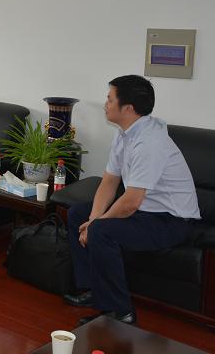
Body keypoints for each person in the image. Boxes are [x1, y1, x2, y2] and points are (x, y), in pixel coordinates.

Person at [64, 75, 200, 325]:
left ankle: (121, 311)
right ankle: (93, 289)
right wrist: (92, 219)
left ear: (128, 108)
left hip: (171, 221)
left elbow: (131, 201)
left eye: (110, 99)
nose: (105, 104)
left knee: (101, 231)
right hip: (145, 212)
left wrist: (96, 225)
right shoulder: (125, 134)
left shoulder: (150, 142)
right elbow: (109, 182)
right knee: (77, 214)